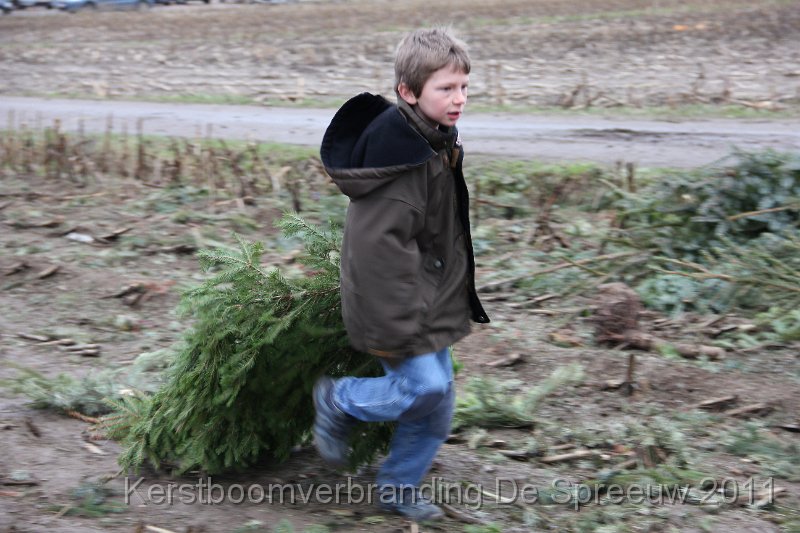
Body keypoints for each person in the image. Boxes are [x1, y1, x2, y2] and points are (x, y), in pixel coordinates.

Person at [315, 27, 489, 522]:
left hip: (430, 295)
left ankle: (397, 488)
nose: (459, 99)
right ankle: (340, 398)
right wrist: (398, 325)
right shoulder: (399, 164)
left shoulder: (433, 141)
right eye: (445, 89)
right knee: (423, 389)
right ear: (408, 93)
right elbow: (374, 257)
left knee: (438, 409)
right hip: (396, 307)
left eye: (463, 87)